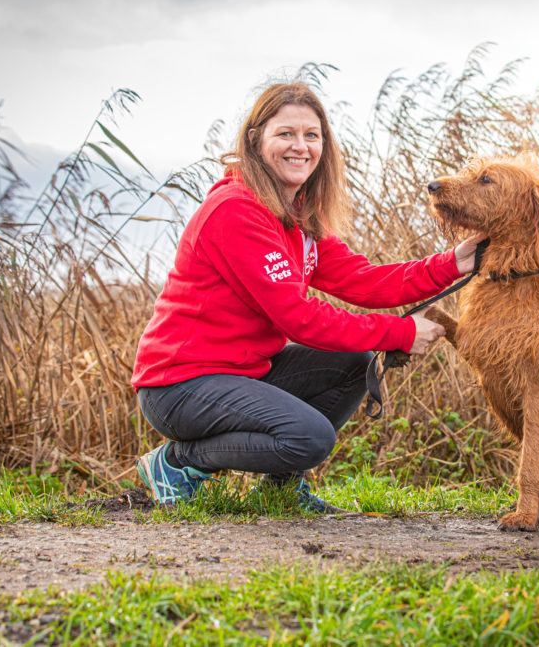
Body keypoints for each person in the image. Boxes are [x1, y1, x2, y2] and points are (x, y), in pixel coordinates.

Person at [131, 82, 484, 512]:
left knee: (354, 366)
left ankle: (280, 490)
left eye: (311, 135)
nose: (300, 146)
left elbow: (365, 281)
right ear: (256, 141)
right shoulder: (236, 211)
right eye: (285, 134)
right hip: (180, 385)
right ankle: (177, 462)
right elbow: (299, 318)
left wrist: (454, 263)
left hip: (243, 371)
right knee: (309, 437)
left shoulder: (295, 218)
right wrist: (399, 332)